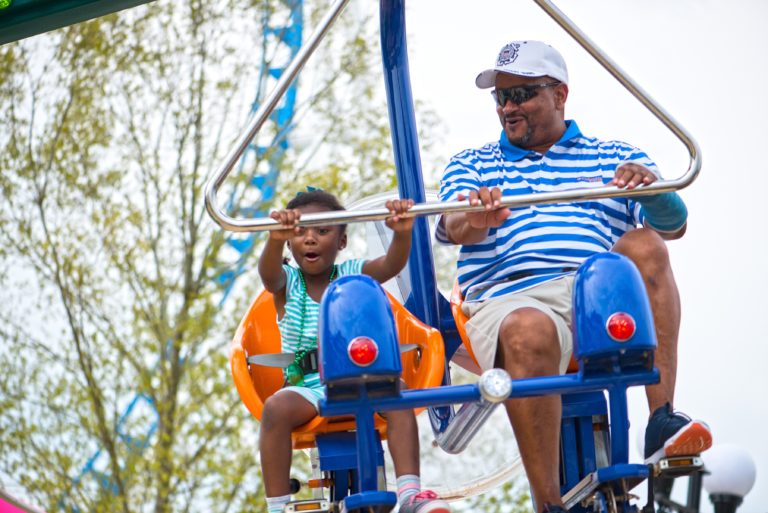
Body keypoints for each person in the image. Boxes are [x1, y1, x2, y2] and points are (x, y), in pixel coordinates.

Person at [435, 41, 712, 512]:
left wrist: (651, 192)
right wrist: (477, 217)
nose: (508, 108)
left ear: (559, 94)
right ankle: (549, 503)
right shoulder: (474, 164)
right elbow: (451, 223)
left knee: (646, 244)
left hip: (595, 296)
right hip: (509, 298)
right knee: (530, 328)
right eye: (500, 98)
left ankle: (660, 418)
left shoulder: (613, 156)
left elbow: (674, 225)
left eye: (521, 94)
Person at [258, 189, 450, 513]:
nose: (310, 239)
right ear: (290, 242)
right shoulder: (287, 282)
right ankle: (278, 505)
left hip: (358, 376)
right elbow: (268, 274)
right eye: (300, 232)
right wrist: (274, 240)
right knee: (275, 409)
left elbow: (390, 264)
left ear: (341, 242)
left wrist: (401, 234)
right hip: (308, 385)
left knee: (398, 395)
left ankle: (409, 493)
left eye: (322, 231)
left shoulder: (351, 275)